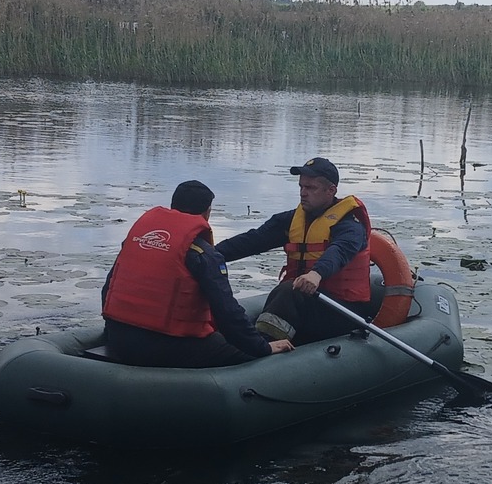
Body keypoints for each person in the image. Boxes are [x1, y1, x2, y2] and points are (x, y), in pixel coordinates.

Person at [102, 180, 294, 368]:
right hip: (167, 345)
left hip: (119, 339)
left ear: (173, 205)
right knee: (248, 355)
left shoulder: (137, 241)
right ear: (207, 212)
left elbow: (107, 290)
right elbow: (227, 312)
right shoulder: (202, 253)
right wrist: (263, 348)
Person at [215, 156, 382, 345]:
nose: (303, 193)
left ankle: (260, 349)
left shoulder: (350, 225)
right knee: (285, 293)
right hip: (306, 304)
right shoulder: (293, 219)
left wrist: (316, 273)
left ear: (331, 191)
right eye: (301, 187)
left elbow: (340, 251)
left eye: (311, 188)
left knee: (288, 292)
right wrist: (210, 255)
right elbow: (253, 240)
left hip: (341, 310)